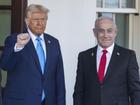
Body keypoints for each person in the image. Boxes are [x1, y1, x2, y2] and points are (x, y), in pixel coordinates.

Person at [0, 4, 66, 105]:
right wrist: (18, 46)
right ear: (27, 21)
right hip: (21, 102)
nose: (40, 23)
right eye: (36, 19)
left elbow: (59, 77)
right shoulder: (14, 40)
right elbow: (5, 65)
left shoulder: (53, 42)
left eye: (43, 19)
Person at [73, 16, 140, 105]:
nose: (105, 35)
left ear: (115, 32)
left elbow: (135, 91)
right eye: (101, 31)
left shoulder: (128, 56)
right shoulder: (84, 57)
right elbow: (78, 91)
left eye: (109, 31)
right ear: (94, 32)